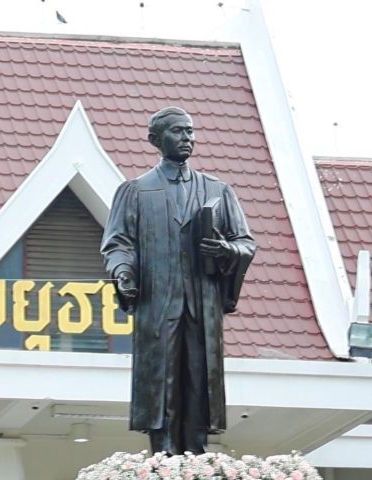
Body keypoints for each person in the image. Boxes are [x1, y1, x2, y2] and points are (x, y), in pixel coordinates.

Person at [101, 107, 256, 455]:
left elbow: (245, 244)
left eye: (190, 131)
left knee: (200, 382)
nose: (187, 138)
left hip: (202, 303)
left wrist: (226, 250)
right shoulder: (135, 191)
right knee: (161, 384)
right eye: (178, 131)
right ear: (155, 140)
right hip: (158, 301)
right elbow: (118, 243)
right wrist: (123, 274)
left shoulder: (218, 190)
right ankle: (163, 460)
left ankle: (195, 460)